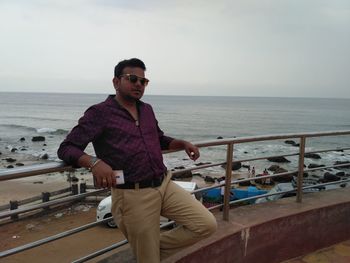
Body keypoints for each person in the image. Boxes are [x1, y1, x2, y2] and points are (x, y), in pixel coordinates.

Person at [57, 58, 217, 263]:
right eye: (133, 79)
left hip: (164, 184)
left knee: (206, 224)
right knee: (148, 259)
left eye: (144, 81)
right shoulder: (100, 113)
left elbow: (158, 139)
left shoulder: (147, 109)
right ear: (116, 82)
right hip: (133, 194)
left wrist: (183, 143)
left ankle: (149, 249)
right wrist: (94, 162)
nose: (139, 85)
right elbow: (67, 147)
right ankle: (147, 252)